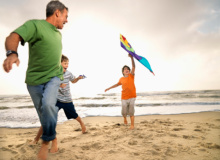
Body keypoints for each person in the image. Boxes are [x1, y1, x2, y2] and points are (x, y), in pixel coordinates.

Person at [3, 1, 68, 159]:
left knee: (48, 105)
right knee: (43, 114)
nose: (66, 20)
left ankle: (45, 143)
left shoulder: (58, 33)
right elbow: (14, 36)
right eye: (66, 16)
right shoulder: (35, 25)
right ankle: (54, 139)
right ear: (57, 13)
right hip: (34, 80)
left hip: (54, 77)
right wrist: (12, 53)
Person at [30, 55, 86, 145]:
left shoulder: (69, 73)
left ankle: (82, 124)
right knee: (47, 119)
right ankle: (36, 139)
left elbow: (73, 81)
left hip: (67, 100)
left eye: (67, 63)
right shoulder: (54, 74)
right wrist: (59, 85)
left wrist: (78, 78)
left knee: (74, 115)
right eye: (65, 63)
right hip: (56, 100)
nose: (67, 65)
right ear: (59, 64)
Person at [105, 54, 136, 130]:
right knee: (124, 111)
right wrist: (109, 88)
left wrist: (131, 58)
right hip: (124, 98)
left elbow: (133, 67)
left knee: (131, 111)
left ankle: (132, 125)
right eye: (125, 69)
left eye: (127, 69)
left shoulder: (131, 76)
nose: (126, 69)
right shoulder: (121, 79)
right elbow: (116, 85)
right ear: (123, 72)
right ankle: (125, 118)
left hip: (132, 97)